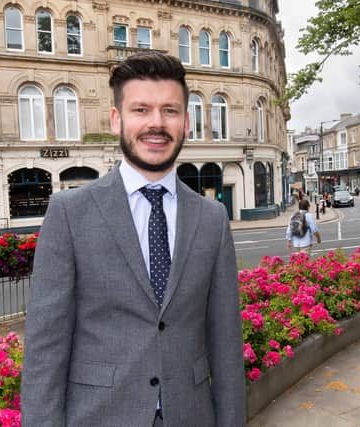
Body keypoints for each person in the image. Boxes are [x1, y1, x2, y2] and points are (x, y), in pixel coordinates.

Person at [21, 52, 245, 427]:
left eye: (170, 111)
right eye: (141, 109)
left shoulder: (212, 218)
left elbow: (225, 342)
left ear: (186, 122)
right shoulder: (69, 213)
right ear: (116, 119)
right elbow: (45, 348)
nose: (156, 123)